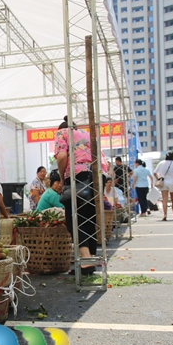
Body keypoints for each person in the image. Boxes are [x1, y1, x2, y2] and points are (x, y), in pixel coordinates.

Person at [54, 116, 108, 275]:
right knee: (89, 216)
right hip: (97, 176)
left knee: (74, 218)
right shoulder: (86, 133)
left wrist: (62, 176)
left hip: (78, 176)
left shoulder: (61, 133)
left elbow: (62, 157)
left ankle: (85, 260)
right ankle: (90, 258)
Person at [154, 151, 173, 221]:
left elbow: (155, 173)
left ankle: (165, 215)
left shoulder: (161, 163)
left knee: (164, 199)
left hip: (164, 183)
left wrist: (159, 178)